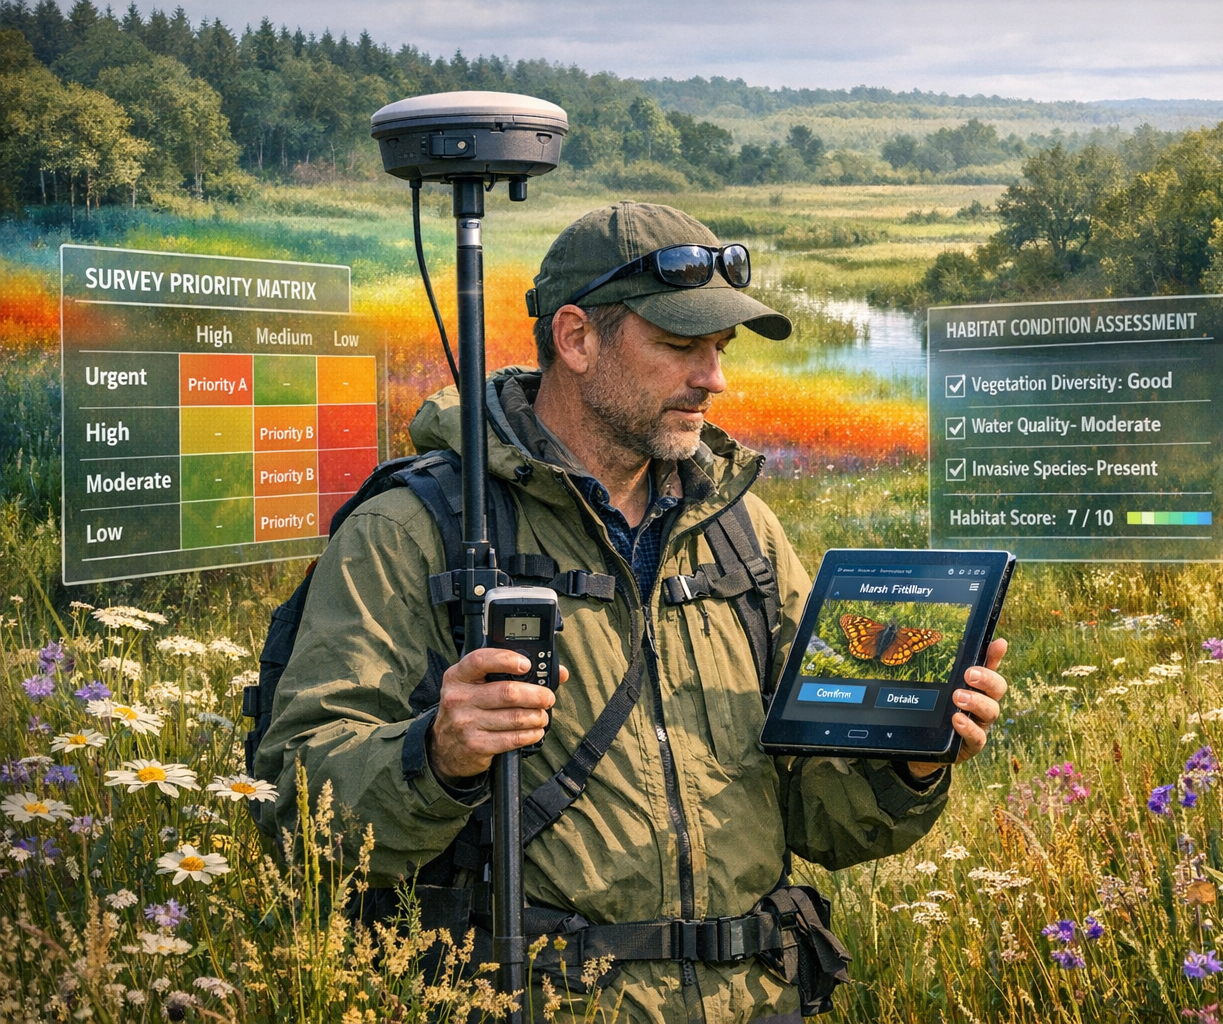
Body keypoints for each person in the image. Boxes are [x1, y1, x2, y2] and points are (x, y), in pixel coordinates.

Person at [256, 201, 1009, 1024]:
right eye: (681, 345)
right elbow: (296, 809)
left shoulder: (740, 532)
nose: (714, 378)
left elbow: (820, 821)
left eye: (718, 348)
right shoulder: (419, 531)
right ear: (575, 339)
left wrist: (911, 762)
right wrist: (436, 755)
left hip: (760, 1001)